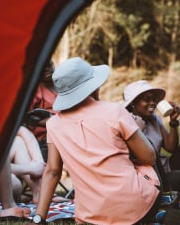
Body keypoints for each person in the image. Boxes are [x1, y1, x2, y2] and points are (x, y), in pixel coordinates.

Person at [33, 57, 161, 225]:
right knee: (145, 167)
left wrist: (38, 218)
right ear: (93, 85)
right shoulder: (115, 111)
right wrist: (137, 129)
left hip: (91, 216)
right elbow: (149, 158)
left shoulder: (53, 125)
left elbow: (52, 171)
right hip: (135, 209)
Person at [123, 80, 180, 200]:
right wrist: (138, 131)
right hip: (153, 177)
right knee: (179, 177)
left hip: (166, 166)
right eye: (147, 99)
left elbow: (171, 147)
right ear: (133, 103)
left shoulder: (154, 119)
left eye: (154, 99)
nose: (152, 103)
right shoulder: (126, 123)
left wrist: (173, 121)